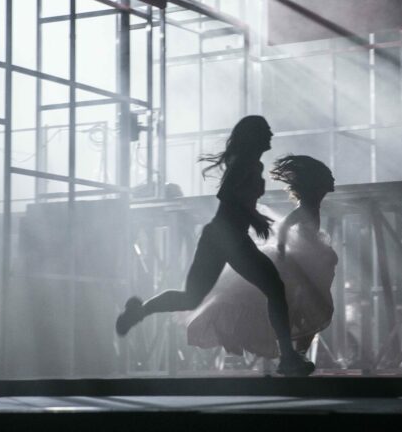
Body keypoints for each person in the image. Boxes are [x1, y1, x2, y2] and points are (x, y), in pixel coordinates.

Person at [115, 116, 314, 376]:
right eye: (266, 130)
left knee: (192, 297)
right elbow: (227, 194)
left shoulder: (250, 163)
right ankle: (287, 358)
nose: (271, 134)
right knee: (275, 289)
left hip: (223, 236)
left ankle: (139, 311)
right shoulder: (244, 162)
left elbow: (238, 199)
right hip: (229, 237)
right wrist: (254, 218)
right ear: (254, 135)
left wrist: (255, 217)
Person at [185, 155, 337, 360]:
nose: (331, 184)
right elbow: (283, 227)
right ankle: (287, 348)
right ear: (315, 187)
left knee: (309, 305)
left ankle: (297, 350)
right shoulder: (304, 208)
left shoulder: (312, 204)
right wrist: (282, 251)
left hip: (309, 256)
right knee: (298, 303)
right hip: (297, 259)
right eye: (327, 181)